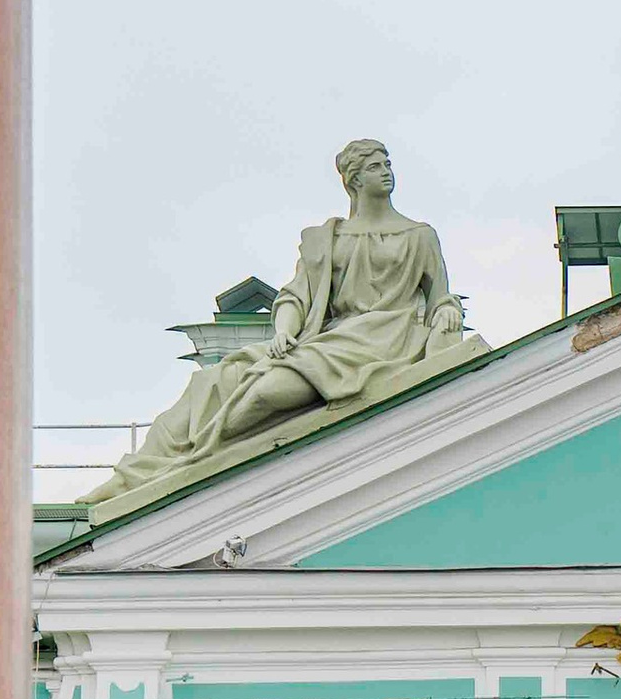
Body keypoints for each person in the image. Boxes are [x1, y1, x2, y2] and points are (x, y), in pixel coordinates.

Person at [95, 143, 482, 508]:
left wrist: (447, 310)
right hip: (330, 339)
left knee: (264, 393)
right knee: (213, 380)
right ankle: (138, 473)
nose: (387, 172)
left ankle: (190, 462)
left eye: (388, 163)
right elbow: (295, 297)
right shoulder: (328, 238)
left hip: (387, 341)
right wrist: (282, 331)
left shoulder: (420, 236)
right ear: (354, 180)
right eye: (375, 166)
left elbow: (440, 296)